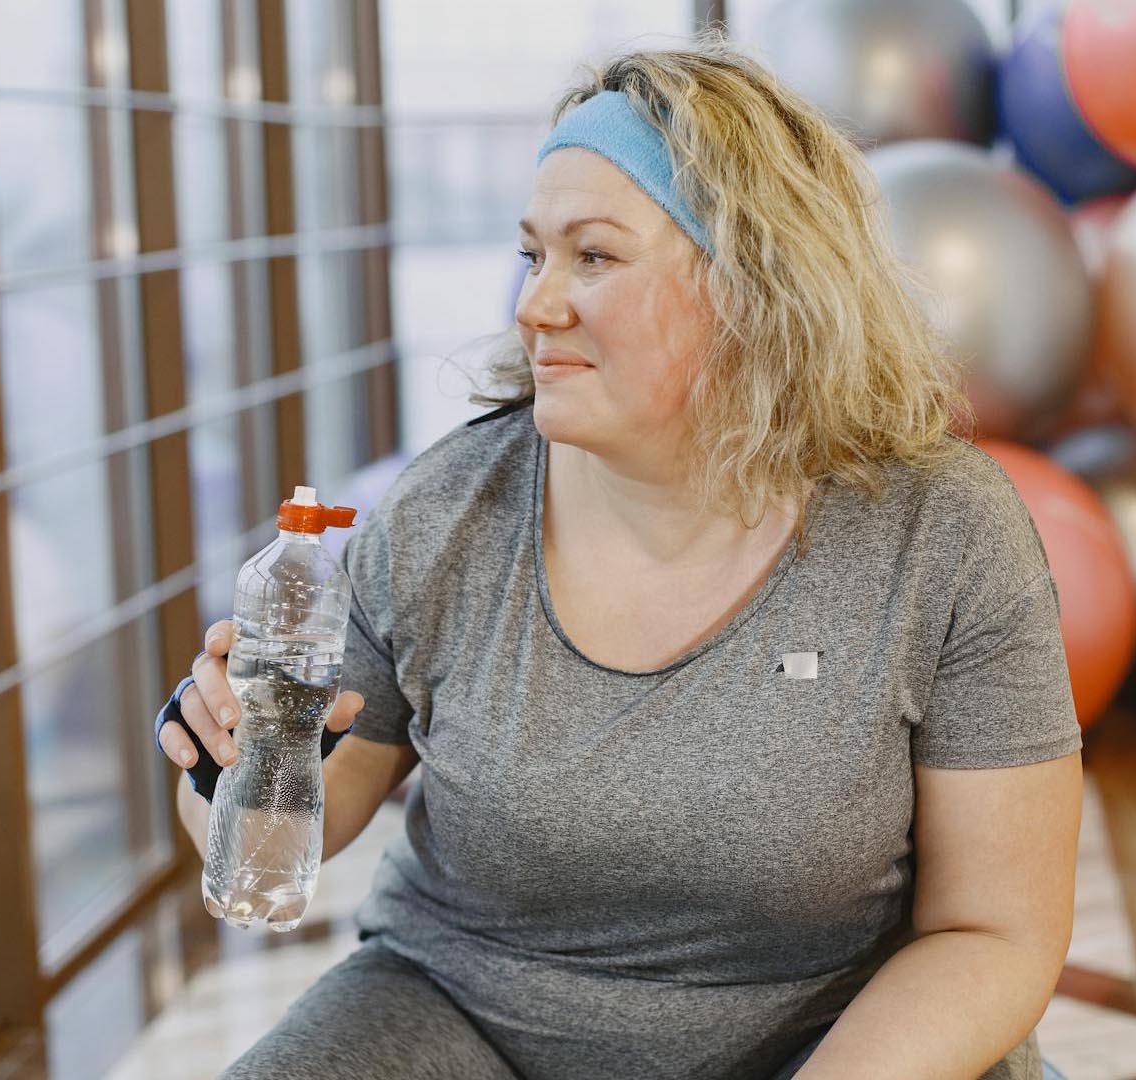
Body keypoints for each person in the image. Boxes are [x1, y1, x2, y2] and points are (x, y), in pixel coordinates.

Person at [155, 34, 1082, 1080]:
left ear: (754, 285)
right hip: (465, 1015)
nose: (533, 304)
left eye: (591, 256)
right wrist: (223, 760)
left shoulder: (941, 531)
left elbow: (994, 933)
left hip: (835, 1043)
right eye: (532, 255)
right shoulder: (449, 513)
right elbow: (300, 827)